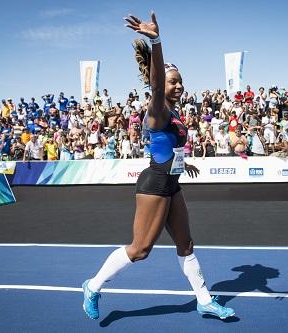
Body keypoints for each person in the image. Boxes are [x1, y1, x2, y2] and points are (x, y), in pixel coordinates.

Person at [81, 12, 235, 321]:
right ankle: (93, 286)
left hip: (171, 183)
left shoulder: (175, 115)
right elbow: (155, 82)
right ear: (160, 83)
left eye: (181, 81)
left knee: (186, 244)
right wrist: (156, 40)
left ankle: (204, 299)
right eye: (173, 81)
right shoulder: (157, 110)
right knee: (140, 250)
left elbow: (169, 147)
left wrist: (183, 162)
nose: (179, 85)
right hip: (153, 186)